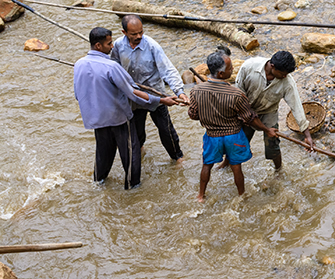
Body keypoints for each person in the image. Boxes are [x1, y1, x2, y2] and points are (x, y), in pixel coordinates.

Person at [74, 27, 178, 189]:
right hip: (118, 118)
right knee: (131, 153)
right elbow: (133, 93)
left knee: (103, 153)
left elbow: (78, 94)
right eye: (109, 44)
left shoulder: (79, 64)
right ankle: (132, 187)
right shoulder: (111, 67)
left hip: (97, 119)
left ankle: (98, 182)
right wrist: (162, 100)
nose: (112, 47)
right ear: (99, 46)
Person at [188, 46, 278, 201]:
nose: (233, 69)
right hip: (233, 137)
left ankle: (201, 195)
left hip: (212, 136)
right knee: (236, 167)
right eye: (230, 68)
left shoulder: (196, 91)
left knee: (207, 165)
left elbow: (193, 115)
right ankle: (241, 195)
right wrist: (266, 129)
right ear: (221, 73)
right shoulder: (236, 94)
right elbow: (249, 118)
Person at [110, 14, 188, 164]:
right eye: (134, 34)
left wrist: (180, 91)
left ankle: (177, 157)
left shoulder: (152, 46)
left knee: (166, 130)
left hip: (156, 95)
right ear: (124, 32)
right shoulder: (119, 45)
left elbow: (168, 70)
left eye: (141, 32)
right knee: (136, 130)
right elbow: (114, 66)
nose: (139, 36)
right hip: (134, 96)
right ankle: (139, 151)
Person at [231, 50, 314, 170]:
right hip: (246, 108)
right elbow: (238, 92)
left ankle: (278, 170)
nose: (285, 76)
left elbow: (296, 106)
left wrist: (307, 135)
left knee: (272, 143)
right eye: (283, 73)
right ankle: (227, 164)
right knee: (239, 142)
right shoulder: (249, 67)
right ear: (272, 66)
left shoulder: (287, 82)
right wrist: (243, 113)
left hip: (268, 111)